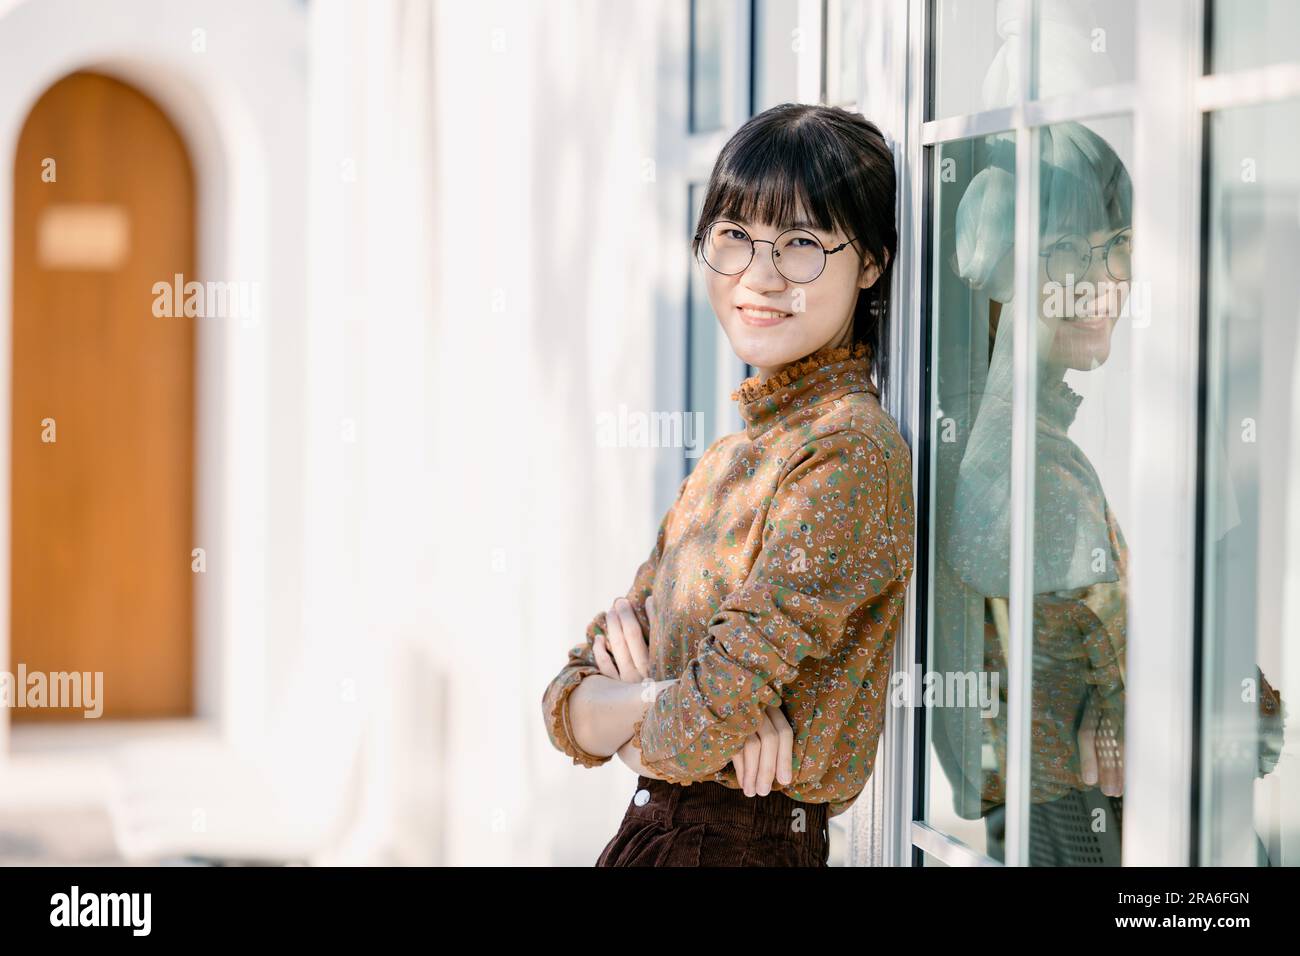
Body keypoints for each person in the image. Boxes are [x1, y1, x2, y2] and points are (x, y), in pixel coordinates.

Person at [540, 103, 915, 866]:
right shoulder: (731, 457)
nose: (760, 276)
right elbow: (564, 704)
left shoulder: (846, 455)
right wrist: (657, 699)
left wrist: (656, 716)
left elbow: (685, 735)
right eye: (735, 237)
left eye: (802, 245)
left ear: (871, 262)